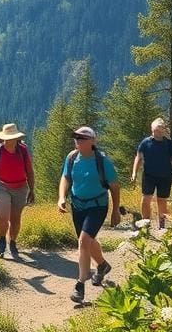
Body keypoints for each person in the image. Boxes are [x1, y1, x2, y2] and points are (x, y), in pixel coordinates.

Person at [58, 126, 121, 304]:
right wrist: (61, 197)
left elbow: (115, 187)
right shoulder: (71, 158)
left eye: (82, 138)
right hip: (77, 205)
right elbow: (66, 178)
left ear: (92, 141)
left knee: (83, 241)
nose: (77, 140)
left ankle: (80, 285)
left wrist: (115, 210)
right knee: (88, 240)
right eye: (76, 138)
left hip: (97, 206)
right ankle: (102, 265)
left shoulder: (103, 161)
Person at [0, 123, 35, 259]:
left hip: (20, 187)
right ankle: (1, 239)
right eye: (8, 138)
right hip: (1, 186)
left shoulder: (23, 151)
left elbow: (29, 172)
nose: (9, 140)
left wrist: (32, 189)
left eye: (12, 138)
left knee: (15, 218)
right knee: (3, 217)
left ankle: (12, 242)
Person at [131, 117, 172, 229]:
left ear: (163, 131)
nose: (156, 133)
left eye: (159, 130)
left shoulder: (169, 144)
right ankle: (145, 223)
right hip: (149, 175)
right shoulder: (145, 143)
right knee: (146, 198)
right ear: (151, 130)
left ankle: (162, 226)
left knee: (162, 200)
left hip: (165, 176)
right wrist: (134, 172)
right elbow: (138, 157)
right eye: (154, 131)